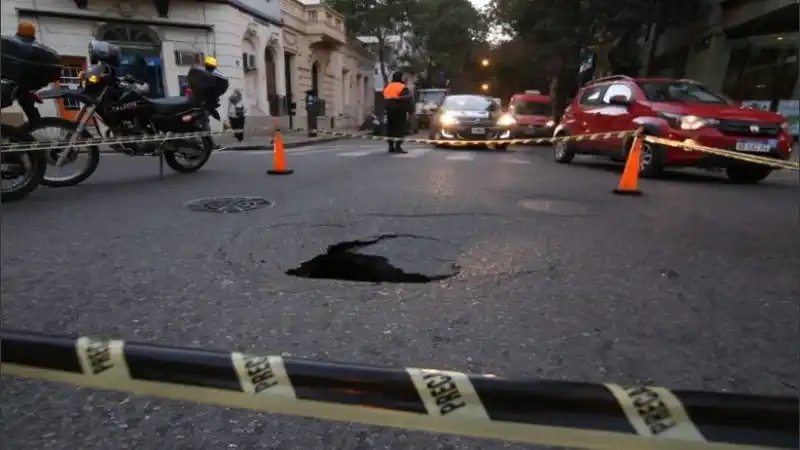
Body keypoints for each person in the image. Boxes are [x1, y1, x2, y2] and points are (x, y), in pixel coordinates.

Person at [383, 72, 413, 153]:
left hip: (389, 110)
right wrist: (411, 111)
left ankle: (390, 146)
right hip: (399, 110)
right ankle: (398, 147)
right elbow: (407, 99)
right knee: (400, 128)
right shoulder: (402, 86)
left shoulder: (388, 86)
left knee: (390, 128)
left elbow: (385, 96)